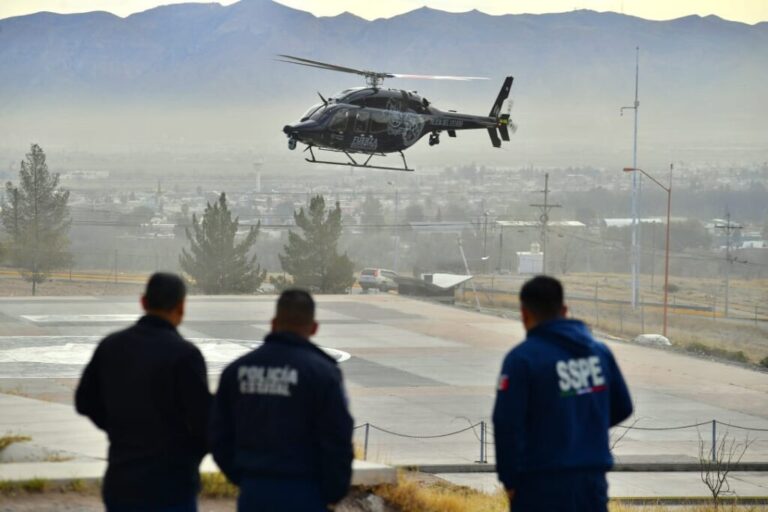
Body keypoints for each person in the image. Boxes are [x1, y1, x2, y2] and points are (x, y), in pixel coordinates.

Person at [492, 275, 633, 512]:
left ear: (524, 314)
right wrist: (581, 430)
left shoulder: (522, 359)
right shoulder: (599, 353)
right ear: (565, 310)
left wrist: (510, 481)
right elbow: (623, 407)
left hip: (540, 485)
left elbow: (506, 424)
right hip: (591, 483)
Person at [75, 273, 211, 512]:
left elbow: (85, 401)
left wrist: (117, 427)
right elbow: (205, 421)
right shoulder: (185, 355)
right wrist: (188, 454)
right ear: (181, 307)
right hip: (171, 484)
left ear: (143, 302)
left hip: (122, 477)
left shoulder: (111, 346)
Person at [210, 289, 354, 512]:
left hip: (254, 493)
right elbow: (338, 439)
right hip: (307, 494)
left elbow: (218, 435)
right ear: (314, 327)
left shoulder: (237, 371)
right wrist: (332, 492)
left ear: (274, 323)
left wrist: (244, 478)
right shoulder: (323, 374)